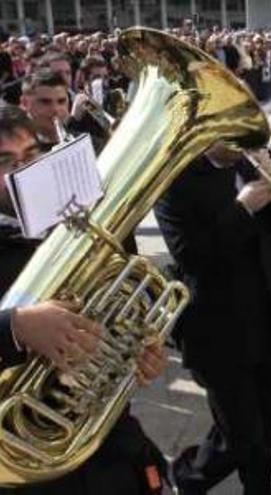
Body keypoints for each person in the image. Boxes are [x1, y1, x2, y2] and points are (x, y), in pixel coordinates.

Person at [0, 105, 168, 495]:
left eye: (30, 156)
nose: (21, 172)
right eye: (5, 162)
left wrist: (137, 352)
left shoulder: (81, 228)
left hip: (109, 446)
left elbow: (130, 304)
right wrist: (17, 326)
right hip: (25, 467)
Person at [155, 143, 271, 494]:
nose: (243, 142)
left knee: (264, 427)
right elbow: (191, 256)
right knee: (242, 434)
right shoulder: (176, 181)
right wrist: (243, 208)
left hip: (268, 316)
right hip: (215, 327)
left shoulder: (251, 168)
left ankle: (260, 489)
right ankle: (188, 479)